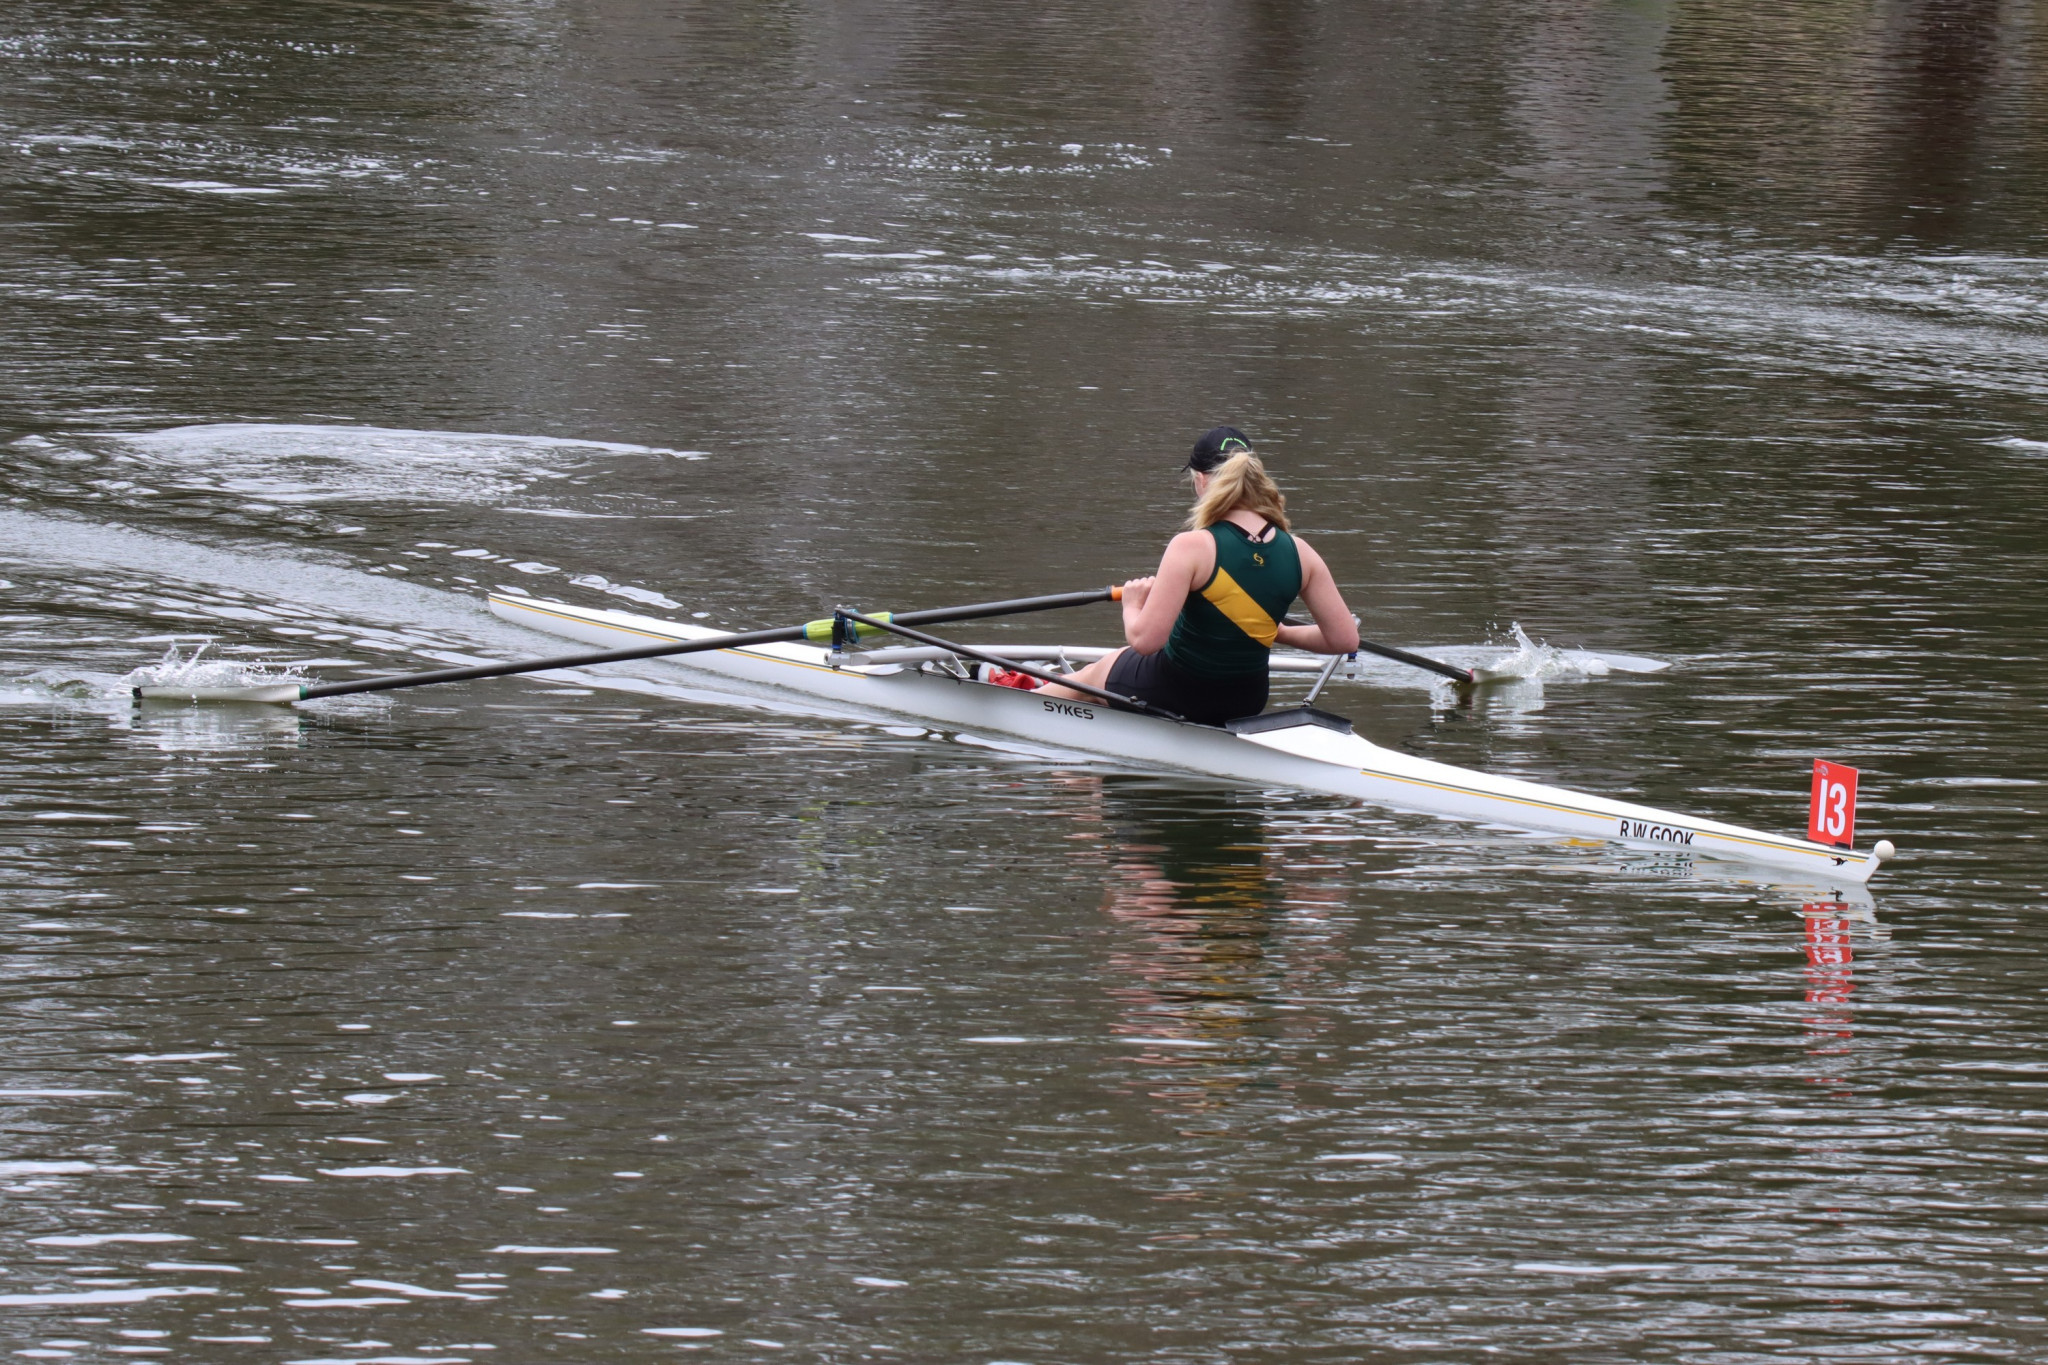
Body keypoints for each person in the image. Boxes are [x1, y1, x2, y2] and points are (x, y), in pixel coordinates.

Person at [1034, 426, 1361, 725]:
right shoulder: (1301, 552)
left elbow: (1146, 641)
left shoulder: (1190, 547)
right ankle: (1088, 778)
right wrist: (1282, 633)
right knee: (1120, 668)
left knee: (1100, 670)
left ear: (1202, 480)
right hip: (1246, 701)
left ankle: (1023, 706)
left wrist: (1132, 604)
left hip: (1177, 691)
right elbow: (1345, 640)